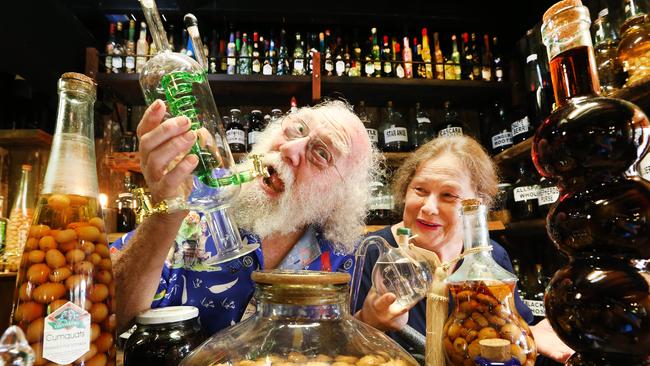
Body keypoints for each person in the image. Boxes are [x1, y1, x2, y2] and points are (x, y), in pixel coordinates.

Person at [110, 99, 380, 334]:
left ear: (340, 195)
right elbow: (109, 314)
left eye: (322, 153)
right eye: (298, 128)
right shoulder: (195, 189)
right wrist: (166, 214)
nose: (289, 149)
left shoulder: (348, 261)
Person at [353, 135, 573, 363]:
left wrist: (531, 333)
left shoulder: (492, 256)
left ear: (476, 204)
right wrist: (367, 320)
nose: (429, 207)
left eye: (448, 195)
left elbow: (513, 328)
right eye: (419, 190)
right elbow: (333, 349)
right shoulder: (371, 252)